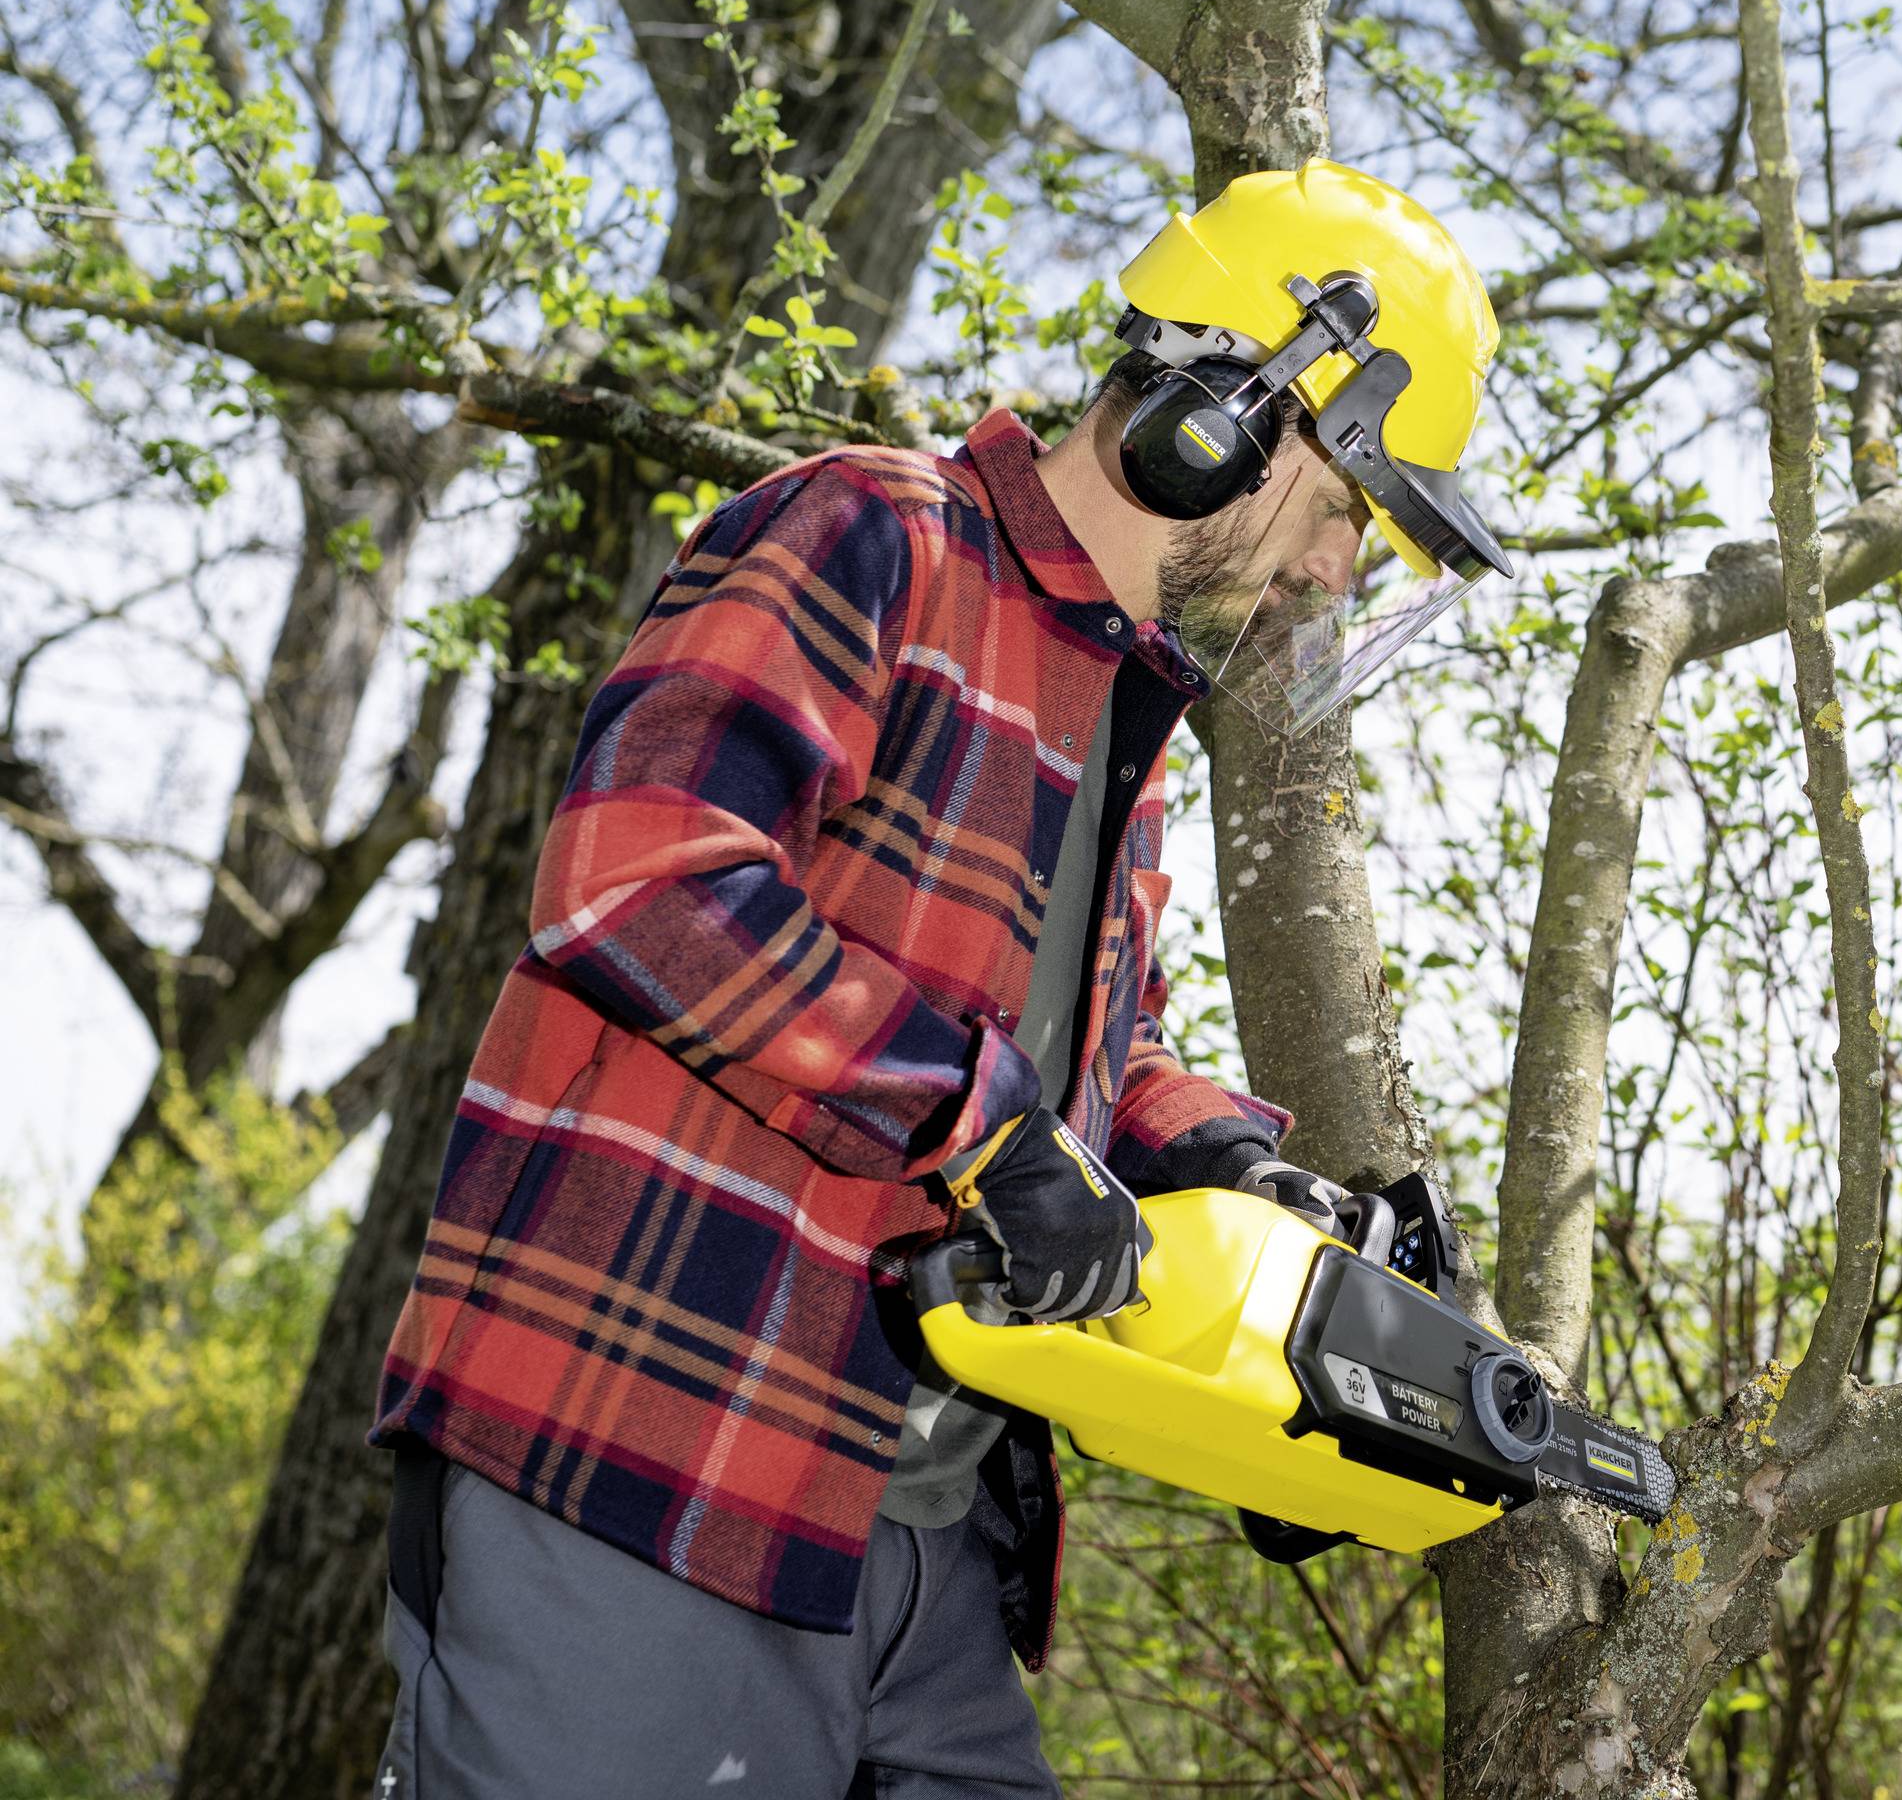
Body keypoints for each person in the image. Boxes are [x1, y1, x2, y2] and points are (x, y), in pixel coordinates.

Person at [364, 158, 1510, 1798]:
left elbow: (1083, 1054)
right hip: (648, 1455)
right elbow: (640, 874)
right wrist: (980, 1124)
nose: (1333, 569)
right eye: (1341, 509)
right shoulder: (874, 533)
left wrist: (1223, 1164)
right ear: (1227, 419)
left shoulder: (1117, 701)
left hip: (920, 1528)